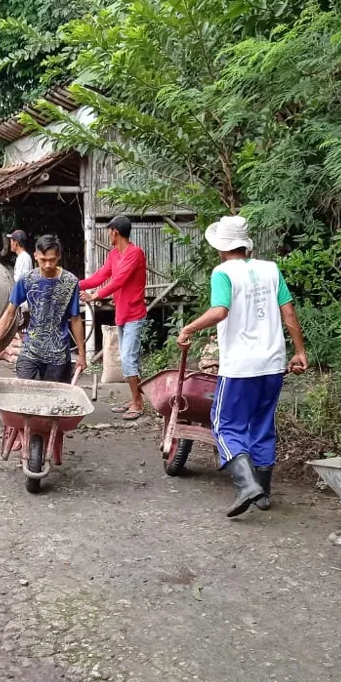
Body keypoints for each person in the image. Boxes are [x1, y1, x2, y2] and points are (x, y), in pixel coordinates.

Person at [177, 216, 307, 516]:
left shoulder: (222, 272)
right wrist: (299, 351)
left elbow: (220, 311)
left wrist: (188, 328)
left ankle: (247, 485)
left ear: (221, 247)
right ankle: (263, 493)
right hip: (273, 363)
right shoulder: (271, 269)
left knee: (224, 424)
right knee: (262, 423)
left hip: (240, 366)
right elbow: (288, 312)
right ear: (245, 245)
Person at [0, 234, 86, 383]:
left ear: (58, 256)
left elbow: (75, 319)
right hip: (31, 350)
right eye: (43, 260)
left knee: (51, 395)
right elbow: (9, 314)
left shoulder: (70, 282)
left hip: (58, 355)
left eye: (52, 260)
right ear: (35, 256)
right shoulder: (26, 280)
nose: (47, 265)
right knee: (25, 389)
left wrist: (82, 355)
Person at [81, 215, 148, 420]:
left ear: (114, 232)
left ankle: (137, 404)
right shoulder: (113, 255)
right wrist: (74, 284)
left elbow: (118, 280)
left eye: (109, 231)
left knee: (128, 360)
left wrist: (95, 295)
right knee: (129, 360)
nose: (108, 235)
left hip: (134, 314)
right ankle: (135, 399)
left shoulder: (135, 253)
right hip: (122, 315)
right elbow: (100, 276)